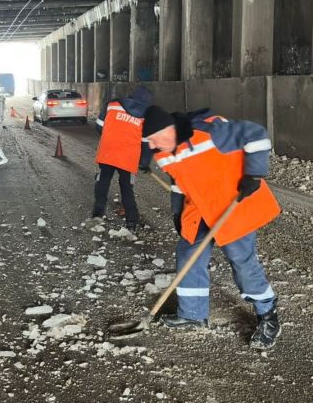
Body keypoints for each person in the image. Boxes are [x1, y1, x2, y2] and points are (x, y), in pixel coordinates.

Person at [141, 105, 282, 350]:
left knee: (241, 260)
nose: (151, 145)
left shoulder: (210, 132)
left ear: (168, 130)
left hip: (233, 203)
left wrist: (254, 174)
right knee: (187, 254)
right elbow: (179, 184)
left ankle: (268, 316)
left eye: (153, 139)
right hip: (199, 209)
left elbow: (256, 134)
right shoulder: (162, 153)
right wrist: (178, 214)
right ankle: (193, 315)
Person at [91, 86, 152, 229]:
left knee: (103, 182)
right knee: (126, 188)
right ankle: (132, 222)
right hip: (128, 157)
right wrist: (144, 162)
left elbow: (99, 126)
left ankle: (97, 216)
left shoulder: (113, 105)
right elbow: (145, 142)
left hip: (109, 153)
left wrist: (111, 138)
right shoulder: (145, 116)